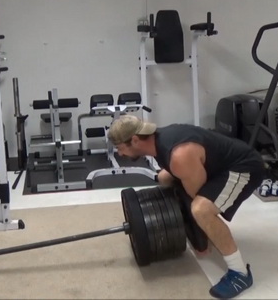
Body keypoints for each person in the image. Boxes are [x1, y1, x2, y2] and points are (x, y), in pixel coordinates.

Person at [108, 114, 265, 299]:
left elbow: (195, 196)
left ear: (134, 140)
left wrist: (199, 239)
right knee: (164, 178)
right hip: (213, 164)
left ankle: (240, 273)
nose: (119, 154)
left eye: (120, 148)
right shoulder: (157, 140)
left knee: (201, 210)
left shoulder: (179, 155)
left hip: (243, 168)